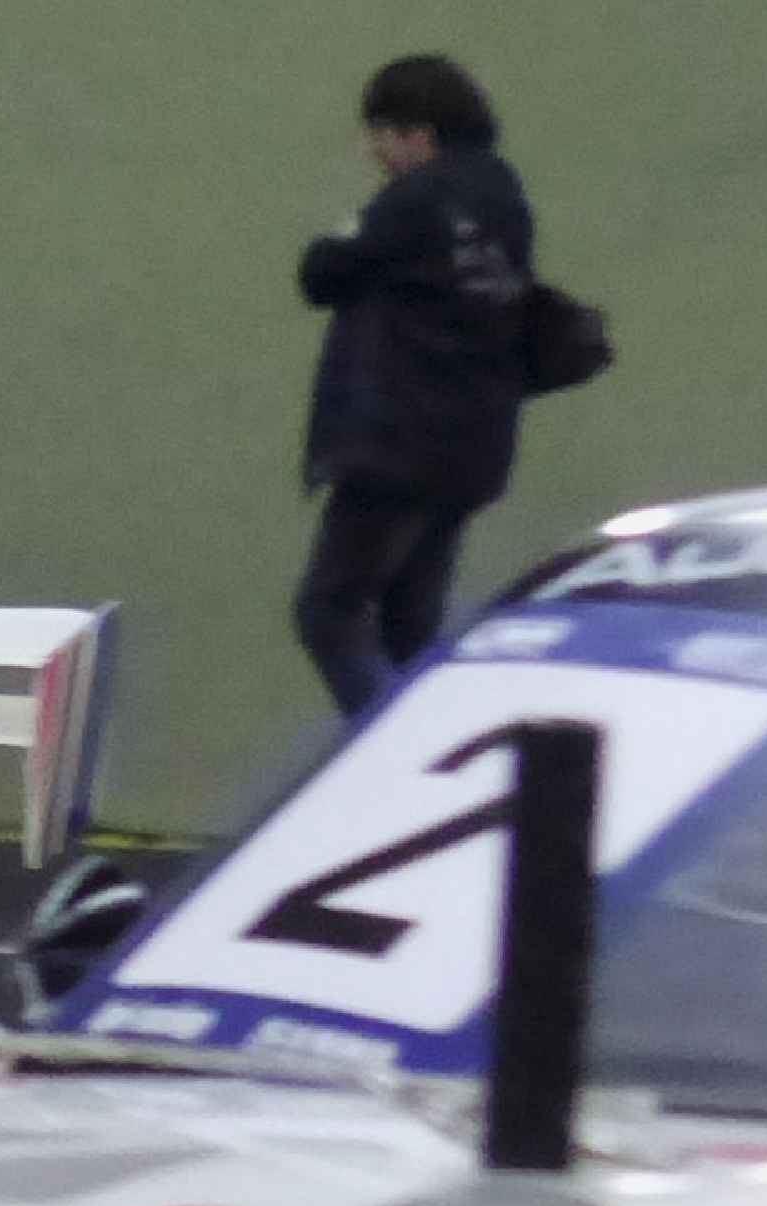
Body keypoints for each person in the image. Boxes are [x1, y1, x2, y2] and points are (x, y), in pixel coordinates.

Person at [293, 52, 540, 715]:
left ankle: (399, 752)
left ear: (418, 134)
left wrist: (349, 233)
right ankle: (436, 741)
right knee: (410, 626)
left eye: (380, 134)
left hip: (396, 443)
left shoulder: (413, 202)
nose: (373, 152)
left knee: (329, 609)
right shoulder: (506, 202)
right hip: (474, 447)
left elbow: (321, 273)